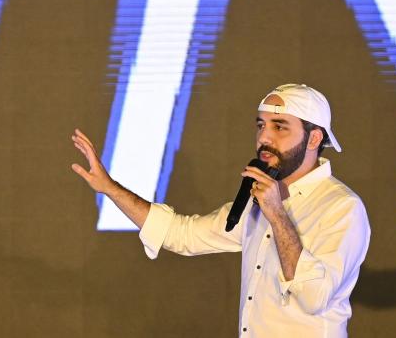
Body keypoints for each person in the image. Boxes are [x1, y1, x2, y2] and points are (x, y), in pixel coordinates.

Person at [70, 83, 371, 337]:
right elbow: (181, 234)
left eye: (279, 126)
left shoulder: (342, 207)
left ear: (314, 138)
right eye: (260, 125)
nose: (264, 137)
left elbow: (314, 297)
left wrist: (277, 215)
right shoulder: (261, 200)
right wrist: (110, 188)